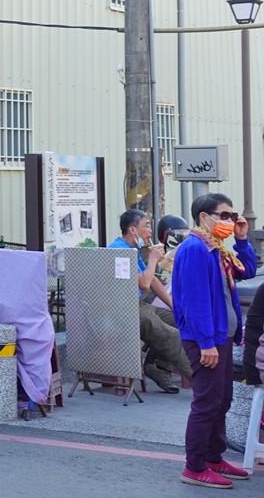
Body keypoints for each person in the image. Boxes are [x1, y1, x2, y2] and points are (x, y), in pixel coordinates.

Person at [172, 192, 258, 488]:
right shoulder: (196, 249)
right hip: (205, 339)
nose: (230, 222)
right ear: (204, 217)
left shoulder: (217, 248)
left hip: (220, 336)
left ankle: (213, 457)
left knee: (222, 400)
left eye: (233, 217)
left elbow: (248, 270)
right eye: (225, 216)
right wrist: (207, 342)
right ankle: (194, 467)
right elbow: (196, 301)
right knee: (207, 402)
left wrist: (243, 240)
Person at [108, 209, 192, 393]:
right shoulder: (119, 251)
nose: (150, 231)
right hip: (124, 309)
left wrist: (174, 307)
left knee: (183, 322)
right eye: (146, 225)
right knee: (173, 336)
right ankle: (202, 381)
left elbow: (153, 280)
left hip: (138, 305)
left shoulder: (131, 249)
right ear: (133, 230)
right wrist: (153, 259)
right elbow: (145, 284)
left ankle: (158, 367)